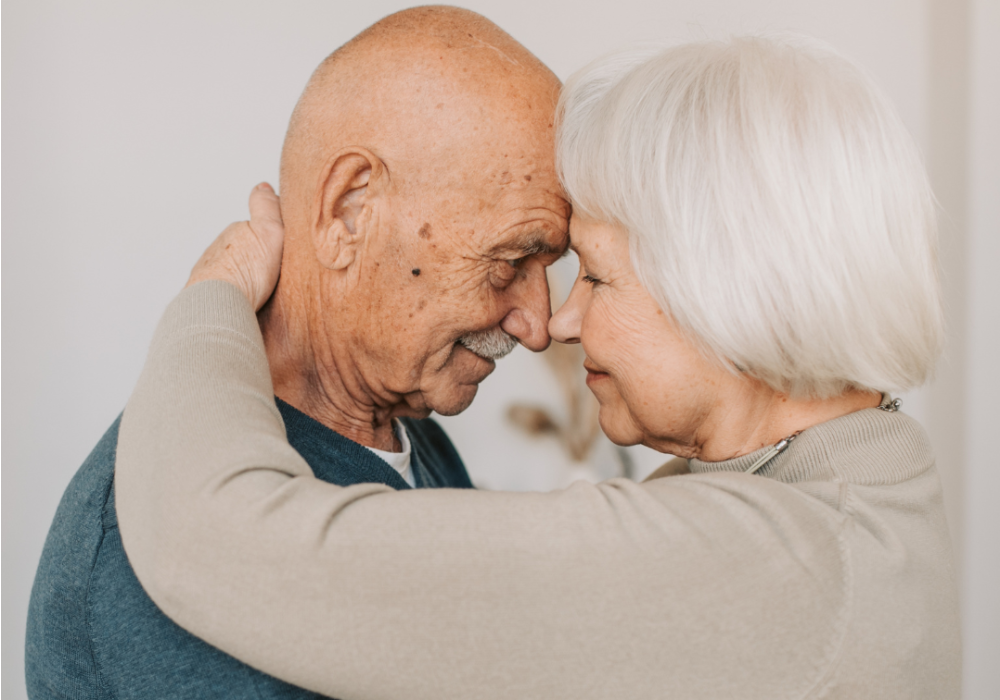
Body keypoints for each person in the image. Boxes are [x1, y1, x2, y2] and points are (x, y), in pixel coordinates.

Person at [115, 35, 960, 699]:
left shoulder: (773, 568)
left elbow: (215, 540)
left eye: (593, 273)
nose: (555, 322)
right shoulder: (869, 495)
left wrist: (215, 293)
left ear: (734, 291)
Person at [25, 7, 570, 698]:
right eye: (511, 260)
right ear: (349, 210)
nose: (537, 323)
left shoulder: (409, 429)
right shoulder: (149, 550)